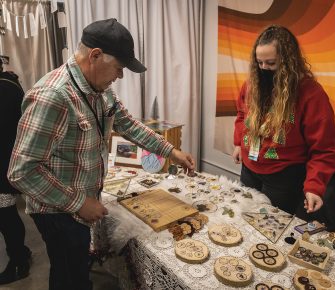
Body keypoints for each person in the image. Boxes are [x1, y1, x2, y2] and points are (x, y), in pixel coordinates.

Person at [8, 18, 195, 290]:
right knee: (68, 277)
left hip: (79, 203)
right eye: (119, 68)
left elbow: (128, 124)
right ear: (95, 56)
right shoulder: (53, 96)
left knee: (77, 270)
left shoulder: (99, 90)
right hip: (57, 212)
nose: (119, 76)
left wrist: (170, 151)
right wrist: (79, 203)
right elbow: (21, 171)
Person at [232, 25, 335, 218]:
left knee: (273, 230)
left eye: (271, 63)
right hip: (249, 169)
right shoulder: (251, 85)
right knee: (245, 218)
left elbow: (324, 148)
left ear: (288, 61)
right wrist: (240, 143)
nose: (264, 68)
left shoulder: (311, 94)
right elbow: (242, 116)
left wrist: (315, 186)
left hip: (284, 178)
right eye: (259, 63)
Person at [0, 57, 32, 284]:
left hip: (5, 164)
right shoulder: (9, 83)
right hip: (9, 162)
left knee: (6, 216)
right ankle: (20, 253)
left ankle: (19, 260)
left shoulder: (5, 88)